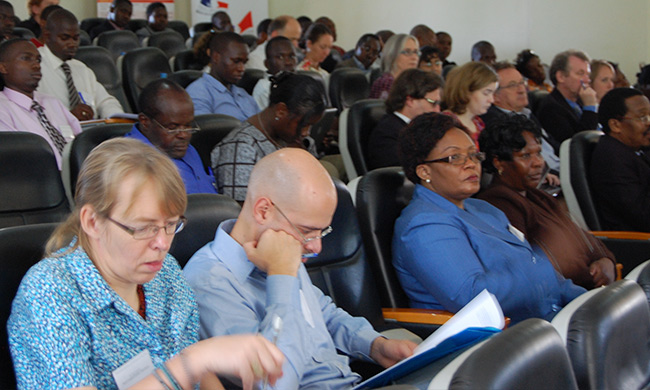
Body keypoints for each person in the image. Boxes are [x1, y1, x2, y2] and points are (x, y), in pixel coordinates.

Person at [8, 138, 284, 389]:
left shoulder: (166, 273)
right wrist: (194, 361)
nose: (163, 244)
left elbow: (200, 377)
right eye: (143, 228)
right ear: (92, 221)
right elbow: (193, 364)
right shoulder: (49, 292)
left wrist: (199, 364)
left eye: (170, 225)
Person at [184, 148, 417, 388]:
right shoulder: (209, 284)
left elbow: (322, 314)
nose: (316, 246)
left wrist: (375, 346)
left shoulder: (281, 246)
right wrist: (281, 276)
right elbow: (276, 382)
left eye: (322, 231)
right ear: (263, 210)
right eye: (306, 231)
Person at [393, 113, 585, 324]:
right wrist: (544, 266)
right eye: (455, 157)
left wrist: (586, 300)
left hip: (541, 322)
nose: (471, 164)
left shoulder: (484, 208)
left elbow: (544, 275)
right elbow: (472, 296)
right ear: (424, 171)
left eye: (474, 155)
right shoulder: (424, 225)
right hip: (492, 341)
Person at [477, 115, 616, 289]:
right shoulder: (498, 204)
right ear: (498, 162)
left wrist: (605, 260)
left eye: (539, 153)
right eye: (526, 156)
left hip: (589, 291)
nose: (539, 163)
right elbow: (530, 269)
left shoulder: (539, 197)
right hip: (565, 301)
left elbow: (584, 238)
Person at [211, 72, 326, 202]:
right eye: (304, 125)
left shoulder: (299, 142)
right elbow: (241, 211)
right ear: (281, 110)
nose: (306, 133)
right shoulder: (241, 147)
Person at [125, 79, 217, 195]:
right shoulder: (129, 162)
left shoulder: (187, 149)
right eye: (173, 127)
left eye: (188, 126)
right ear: (145, 122)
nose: (184, 135)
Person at [0, 38, 81, 169]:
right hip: (38, 182)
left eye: (38, 60)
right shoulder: (3, 109)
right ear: (3, 67)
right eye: (26, 58)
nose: (37, 65)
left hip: (80, 175)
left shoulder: (51, 102)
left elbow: (79, 141)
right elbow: (15, 160)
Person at [37, 9, 123, 120]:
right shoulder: (35, 67)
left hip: (91, 132)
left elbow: (106, 101)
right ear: (47, 36)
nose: (72, 44)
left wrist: (114, 118)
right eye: (65, 38)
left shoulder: (81, 68)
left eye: (76, 38)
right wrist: (68, 116)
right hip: (56, 133)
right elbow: (32, 115)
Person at [479, 62, 560, 173]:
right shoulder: (497, 123)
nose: (522, 90)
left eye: (522, 83)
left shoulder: (526, 114)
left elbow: (554, 147)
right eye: (512, 85)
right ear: (495, 96)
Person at [590, 87, 650, 232]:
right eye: (642, 117)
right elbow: (644, 217)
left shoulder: (634, 149)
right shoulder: (611, 159)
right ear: (615, 125)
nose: (649, 122)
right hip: (638, 245)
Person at [368, 68, 443, 169]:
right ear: (410, 100)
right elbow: (402, 171)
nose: (438, 110)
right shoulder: (387, 133)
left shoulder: (420, 128)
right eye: (433, 103)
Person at [186, 31, 259, 121]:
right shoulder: (198, 93)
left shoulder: (243, 94)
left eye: (244, 63)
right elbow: (203, 132)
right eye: (236, 61)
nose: (242, 68)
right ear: (216, 57)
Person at [536, 50, 598, 143]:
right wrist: (590, 109)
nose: (587, 80)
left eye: (588, 74)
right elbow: (578, 146)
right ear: (561, 77)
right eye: (580, 74)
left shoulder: (581, 100)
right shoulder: (550, 108)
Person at [442, 61, 498, 147]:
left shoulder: (479, 123)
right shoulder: (446, 124)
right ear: (466, 91)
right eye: (486, 93)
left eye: (493, 93)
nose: (491, 100)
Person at [252, 36, 297, 109]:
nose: (288, 62)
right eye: (280, 57)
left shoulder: (300, 82)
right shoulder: (265, 88)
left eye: (291, 56)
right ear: (267, 64)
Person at [369, 34, 419, 99]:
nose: (414, 57)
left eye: (416, 52)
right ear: (392, 55)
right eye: (407, 52)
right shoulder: (386, 83)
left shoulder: (415, 82)